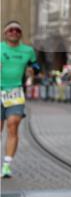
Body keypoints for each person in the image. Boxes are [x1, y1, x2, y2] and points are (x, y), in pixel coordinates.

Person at [1, 20, 41, 178]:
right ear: (5, 33)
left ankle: (6, 166)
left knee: (13, 124)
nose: (14, 33)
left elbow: (36, 66)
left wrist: (33, 70)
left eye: (17, 30)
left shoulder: (28, 51)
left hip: (16, 93)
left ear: (21, 34)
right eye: (11, 30)